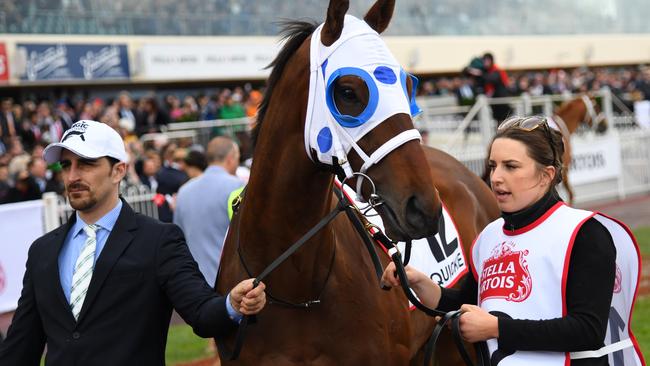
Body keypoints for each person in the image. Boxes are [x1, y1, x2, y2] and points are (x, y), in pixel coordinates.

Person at [381, 116, 644, 366]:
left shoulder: (585, 233)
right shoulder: (489, 236)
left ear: (546, 175)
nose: (496, 177)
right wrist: (421, 284)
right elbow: (469, 302)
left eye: (511, 166)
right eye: (493, 165)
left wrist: (496, 328)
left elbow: (587, 330)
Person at [0, 120, 266, 366]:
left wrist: (232, 304)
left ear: (118, 171)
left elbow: (201, 311)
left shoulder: (159, 240)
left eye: (86, 164)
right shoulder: (42, 251)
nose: (71, 177)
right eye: (66, 165)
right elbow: (21, 347)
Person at [174, 136, 243, 287]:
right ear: (231, 159)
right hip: (230, 286)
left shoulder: (184, 191)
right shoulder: (238, 187)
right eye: (238, 157)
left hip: (194, 284)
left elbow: (179, 238)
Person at [465, 52, 512, 123]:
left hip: (502, 103)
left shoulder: (497, 71)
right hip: (494, 104)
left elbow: (491, 79)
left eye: (487, 60)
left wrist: (480, 73)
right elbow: (466, 72)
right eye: (484, 60)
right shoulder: (485, 71)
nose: (485, 63)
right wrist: (472, 70)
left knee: (503, 122)